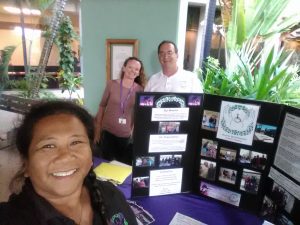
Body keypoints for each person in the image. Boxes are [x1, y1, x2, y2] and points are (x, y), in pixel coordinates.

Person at [0, 101, 138, 225]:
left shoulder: (110, 194)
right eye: (48, 146)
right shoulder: (10, 218)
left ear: (91, 156)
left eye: (76, 142)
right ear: (26, 164)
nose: (64, 157)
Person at [94, 57, 146, 164]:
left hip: (125, 135)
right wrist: (98, 129)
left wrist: (134, 133)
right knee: (106, 165)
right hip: (107, 133)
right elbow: (102, 106)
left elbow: (138, 114)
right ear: (124, 68)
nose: (133, 71)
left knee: (122, 167)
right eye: (130, 67)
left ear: (139, 72)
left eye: (136, 69)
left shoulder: (140, 90)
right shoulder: (112, 84)